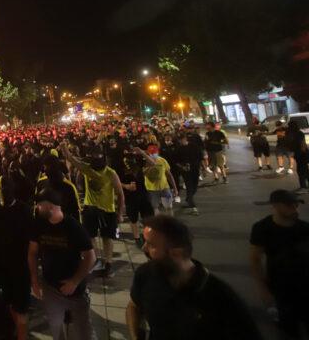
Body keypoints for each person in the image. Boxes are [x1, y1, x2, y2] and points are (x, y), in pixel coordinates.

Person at [127, 215, 262, 340]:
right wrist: (135, 336)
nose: (144, 248)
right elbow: (134, 306)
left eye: (151, 244)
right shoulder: (146, 274)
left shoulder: (221, 299)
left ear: (176, 253)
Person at [29, 187, 97, 340]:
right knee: (56, 328)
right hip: (50, 287)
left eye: (39, 205)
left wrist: (74, 282)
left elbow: (91, 257)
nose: (37, 208)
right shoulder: (39, 224)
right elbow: (32, 252)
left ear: (49, 206)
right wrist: (34, 280)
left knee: (84, 332)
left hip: (75, 291)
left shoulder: (72, 226)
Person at [250, 189, 309, 337]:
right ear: (275, 206)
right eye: (289, 205)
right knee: (289, 328)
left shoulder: (304, 228)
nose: (295, 208)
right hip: (281, 287)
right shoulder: (262, 228)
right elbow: (255, 259)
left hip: (305, 283)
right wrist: (263, 289)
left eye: (296, 204)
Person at [64, 147, 125, 277]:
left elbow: (120, 193)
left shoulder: (111, 173)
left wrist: (120, 213)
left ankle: (108, 263)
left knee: (107, 238)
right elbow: (71, 158)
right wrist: (64, 147)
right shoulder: (87, 168)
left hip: (107, 210)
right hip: (90, 209)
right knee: (90, 237)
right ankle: (96, 260)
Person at [0, 175, 32, 340]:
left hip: (20, 269)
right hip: (0, 271)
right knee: (4, 306)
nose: (3, 192)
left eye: (6, 188)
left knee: (21, 308)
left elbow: (32, 243)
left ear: (13, 189)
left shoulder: (25, 211)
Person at [120, 153, 154, 247]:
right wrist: (126, 186)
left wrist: (142, 152)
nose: (128, 163)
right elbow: (116, 182)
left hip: (143, 196)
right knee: (133, 218)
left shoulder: (139, 169)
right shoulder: (121, 170)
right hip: (130, 198)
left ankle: (147, 236)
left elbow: (152, 163)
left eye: (130, 160)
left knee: (147, 218)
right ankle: (137, 238)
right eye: (126, 161)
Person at [136, 144, 179, 216]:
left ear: (158, 152)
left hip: (164, 187)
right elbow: (142, 174)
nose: (153, 154)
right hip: (151, 190)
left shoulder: (162, 160)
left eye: (155, 152)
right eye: (151, 152)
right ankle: (159, 222)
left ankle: (170, 221)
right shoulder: (144, 162)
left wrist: (175, 188)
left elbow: (169, 175)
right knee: (155, 208)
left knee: (169, 207)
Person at [176, 134, 203, 215]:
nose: (181, 141)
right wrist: (182, 167)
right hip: (186, 171)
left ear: (185, 139)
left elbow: (200, 157)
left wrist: (203, 168)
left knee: (194, 187)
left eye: (182, 139)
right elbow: (176, 161)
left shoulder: (194, 146)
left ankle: (189, 199)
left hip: (195, 170)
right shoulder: (179, 149)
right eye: (179, 140)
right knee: (189, 188)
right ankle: (194, 208)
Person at [286, 120, 309, 192]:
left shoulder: (292, 134)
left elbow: (302, 144)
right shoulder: (299, 133)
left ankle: (303, 187)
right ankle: (304, 186)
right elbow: (303, 144)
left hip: (300, 154)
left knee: (301, 170)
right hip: (302, 153)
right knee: (305, 170)